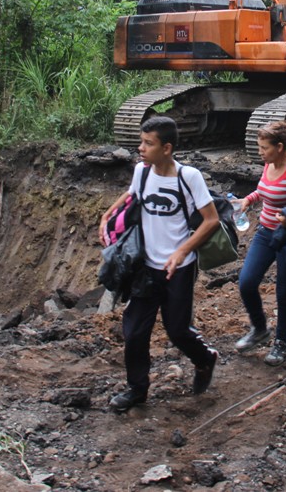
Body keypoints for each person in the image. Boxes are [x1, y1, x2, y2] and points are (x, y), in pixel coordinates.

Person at [99, 116, 220, 413]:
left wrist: (181, 252)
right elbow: (131, 194)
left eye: (147, 143)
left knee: (177, 330)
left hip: (179, 268)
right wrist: (108, 214)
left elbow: (211, 220)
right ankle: (137, 389)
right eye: (141, 141)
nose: (140, 148)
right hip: (146, 267)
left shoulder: (188, 177)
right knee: (135, 331)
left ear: (166, 148)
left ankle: (205, 358)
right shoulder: (141, 172)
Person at [232, 121, 286, 366]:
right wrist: (248, 200)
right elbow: (265, 191)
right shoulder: (269, 164)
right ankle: (260, 329)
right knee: (247, 282)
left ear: (280, 147)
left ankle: (281, 342)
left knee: (284, 292)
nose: (260, 152)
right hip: (266, 232)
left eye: (264, 147)